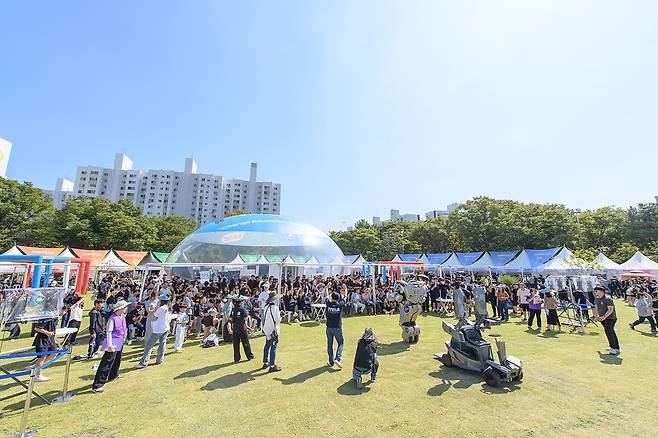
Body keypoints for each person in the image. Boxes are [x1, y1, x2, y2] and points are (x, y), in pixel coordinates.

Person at [92, 299, 129, 393]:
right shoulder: (112, 318)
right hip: (113, 342)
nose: (126, 308)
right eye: (124, 307)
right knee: (106, 362)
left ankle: (113, 375)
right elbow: (109, 332)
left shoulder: (122, 316)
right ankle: (97, 384)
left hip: (120, 340)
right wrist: (109, 345)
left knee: (117, 359)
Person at [136, 294, 171, 368]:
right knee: (162, 344)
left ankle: (143, 362)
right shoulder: (167, 307)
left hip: (159, 329)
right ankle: (160, 360)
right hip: (165, 328)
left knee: (149, 345)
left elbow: (155, 315)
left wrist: (156, 307)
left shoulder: (161, 308)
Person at [593, 286, 620, 355]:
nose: (596, 293)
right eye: (595, 291)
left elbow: (610, 309)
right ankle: (616, 347)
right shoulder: (597, 299)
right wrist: (596, 317)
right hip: (603, 319)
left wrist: (604, 317)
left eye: (597, 291)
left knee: (609, 332)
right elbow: (595, 308)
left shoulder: (607, 299)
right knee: (611, 332)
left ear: (602, 291)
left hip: (611, 318)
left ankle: (613, 348)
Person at [227, 296, 254, 362]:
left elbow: (231, 319)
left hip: (235, 329)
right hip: (242, 329)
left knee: (236, 345)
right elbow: (246, 317)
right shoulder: (242, 309)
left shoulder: (233, 310)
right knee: (246, 343)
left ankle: (236, 358)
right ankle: (249, 356)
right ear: (240, 302)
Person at [261, 292, 282, 372]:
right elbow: (277, 320)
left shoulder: (266, 307)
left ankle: (265, 362)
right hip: (273, 329)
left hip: (267, 329)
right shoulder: (275, 308)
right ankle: (272, 366)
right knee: (273, 347)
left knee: (267, 345)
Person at [325, 292, 345, 369]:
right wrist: (345, 290)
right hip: (337, 327)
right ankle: (337, 358)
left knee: (330, 344)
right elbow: (343, 297)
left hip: (329, 327)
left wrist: (327, 290)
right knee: (341, 343)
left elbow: (327, 297)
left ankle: (331, 361)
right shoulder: (340, 304)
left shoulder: (328, 303)